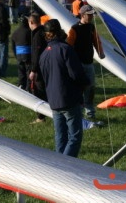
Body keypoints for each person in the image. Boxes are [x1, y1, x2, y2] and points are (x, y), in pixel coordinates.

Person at [39, 19, 89, 157]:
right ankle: (67, 164)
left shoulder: (44, 54)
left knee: (60, 137)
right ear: (59, 32)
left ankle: (58, 165)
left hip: (53, 100)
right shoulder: (65, 49)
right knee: (75, 136)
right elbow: (76, 74)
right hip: (69, 98)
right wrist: (85, 83)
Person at [66, 4, 105, 120]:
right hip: (78, 64)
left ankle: (90, 111)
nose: (92, 16)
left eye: (92, 14)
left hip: (89, 62)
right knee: (79, 88)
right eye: (89, 15)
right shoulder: (74, 29)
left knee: (90, 86)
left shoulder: (91, 27)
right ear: (82, 15)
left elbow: (96, 40)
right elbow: (68, 45)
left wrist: (100, 52)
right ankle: (78, 111)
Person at [28, 13, 48, 124]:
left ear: (31, 22)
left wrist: (33, 70)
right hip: (47, 66)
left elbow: (36, 54)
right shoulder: (44, 32)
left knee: (39, 92)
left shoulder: (37, 36)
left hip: (39, 69)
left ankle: (41, 116)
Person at [11, 16, 31, 90]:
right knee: (28, 71)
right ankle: (28, 87)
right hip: (27, 54)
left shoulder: (15, 32)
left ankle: (21, 85)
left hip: (19, 54)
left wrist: (16, 55)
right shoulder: (29, 32)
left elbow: (13, 45)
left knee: (21, 71)